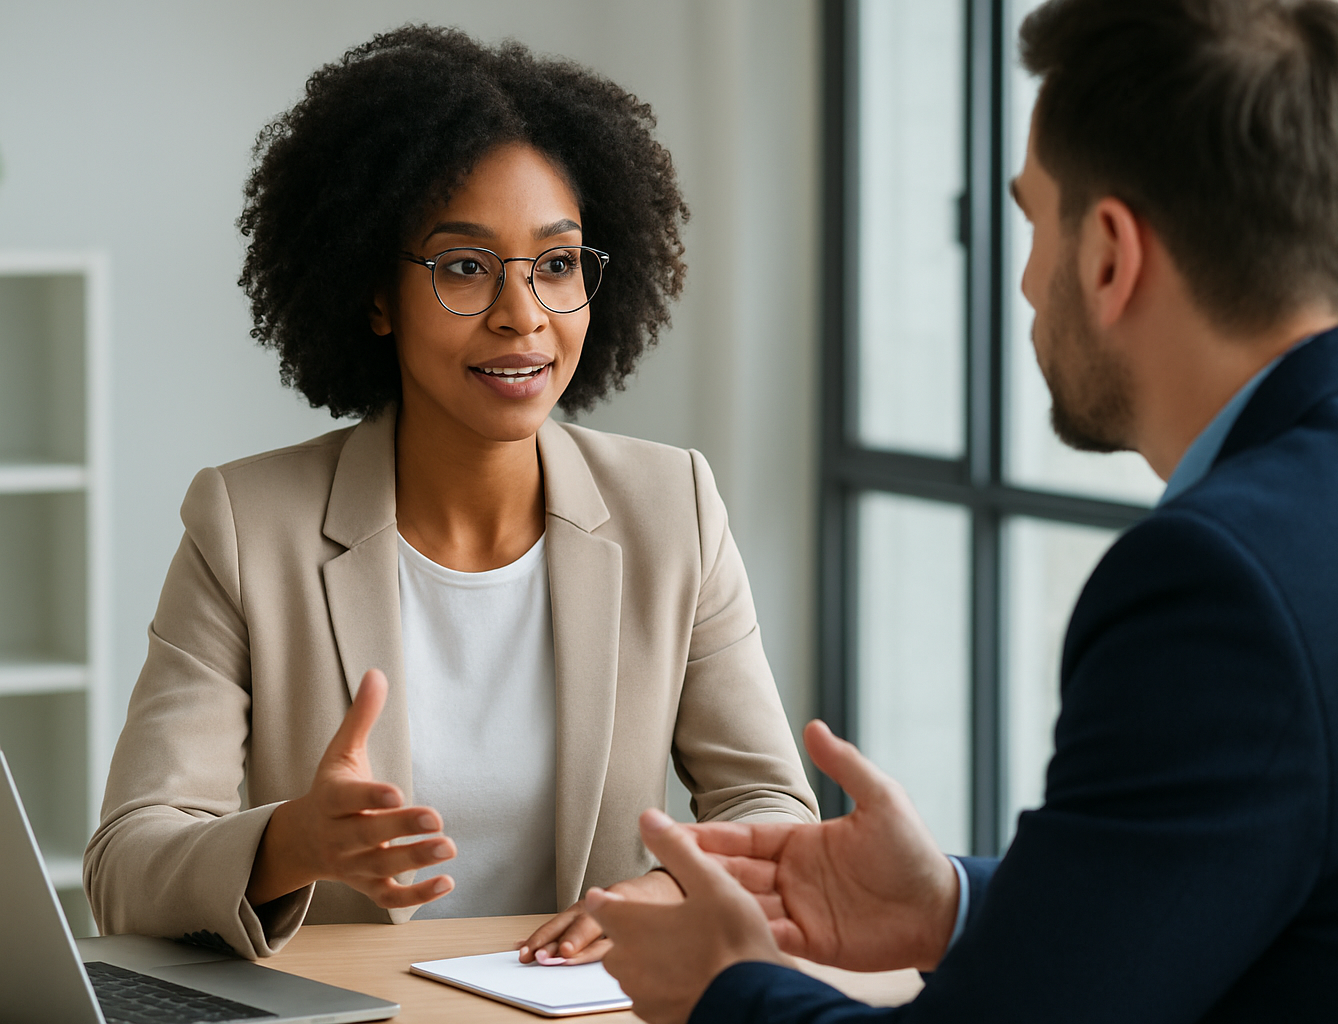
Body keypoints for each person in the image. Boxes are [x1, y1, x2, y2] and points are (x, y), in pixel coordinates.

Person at [583, 0, 1338, 1020]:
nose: (1030, 280)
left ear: (1111, 253)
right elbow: (1280, 905)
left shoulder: (1224, 582)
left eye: (1034, 220)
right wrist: (950, 903)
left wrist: (724, 988)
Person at [83, 26, 817, 962]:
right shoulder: (245, 526)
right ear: (377, 294)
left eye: (556, 265)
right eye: (465, 267)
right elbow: (124, 871)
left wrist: (665, 884)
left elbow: (770, 807)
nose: (523, 316)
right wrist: (289, 843)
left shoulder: (673, 506)